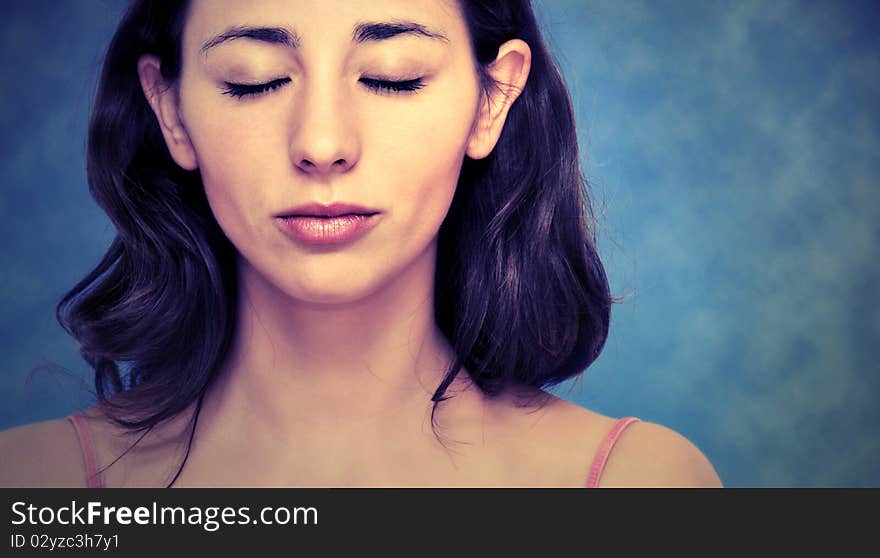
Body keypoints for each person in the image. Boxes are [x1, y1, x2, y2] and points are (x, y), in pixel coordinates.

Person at [0, 0, 722, 488]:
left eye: (392, 78)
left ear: (493, 98)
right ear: (171, 109)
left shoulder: (634, 484)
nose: (322, 144)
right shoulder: (33, 485)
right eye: (255, 83)